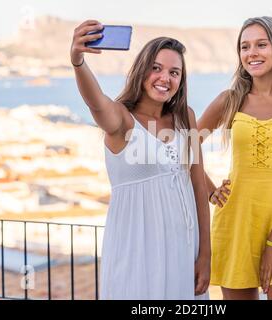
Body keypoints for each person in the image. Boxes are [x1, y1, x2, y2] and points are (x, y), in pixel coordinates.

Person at [70, 20, 210, 299]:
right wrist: (78, 61)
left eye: (174, 72)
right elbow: (95, 102)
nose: (164, 78)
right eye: (156, 68)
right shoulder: (121, 119)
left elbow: (198, 186)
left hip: (184, 248)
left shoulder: (187, 117)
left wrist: (205, 254)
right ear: (142, 70)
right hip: (136, 250)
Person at [197, 16, 272, 300]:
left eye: (261, 45)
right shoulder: (230, 100)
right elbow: (185, 147)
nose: (252, 53)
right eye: (245, 46)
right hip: (236, 225)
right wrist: (211, 191)